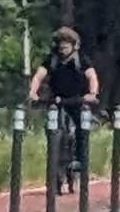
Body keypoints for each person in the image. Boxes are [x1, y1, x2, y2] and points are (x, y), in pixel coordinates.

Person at [27, 25, 101, 193]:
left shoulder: (81, 60)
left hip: (77, 100)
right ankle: (56, 169)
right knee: (54, 131)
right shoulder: (52, 59)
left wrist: (92, 93)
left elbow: (92, 77)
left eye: (65, 46)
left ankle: (81, 160)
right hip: (57, 100)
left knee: (82, 130)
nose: (62, 50)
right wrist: (32, 92)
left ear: (74, 46)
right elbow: (39, 76)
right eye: (60, 46)